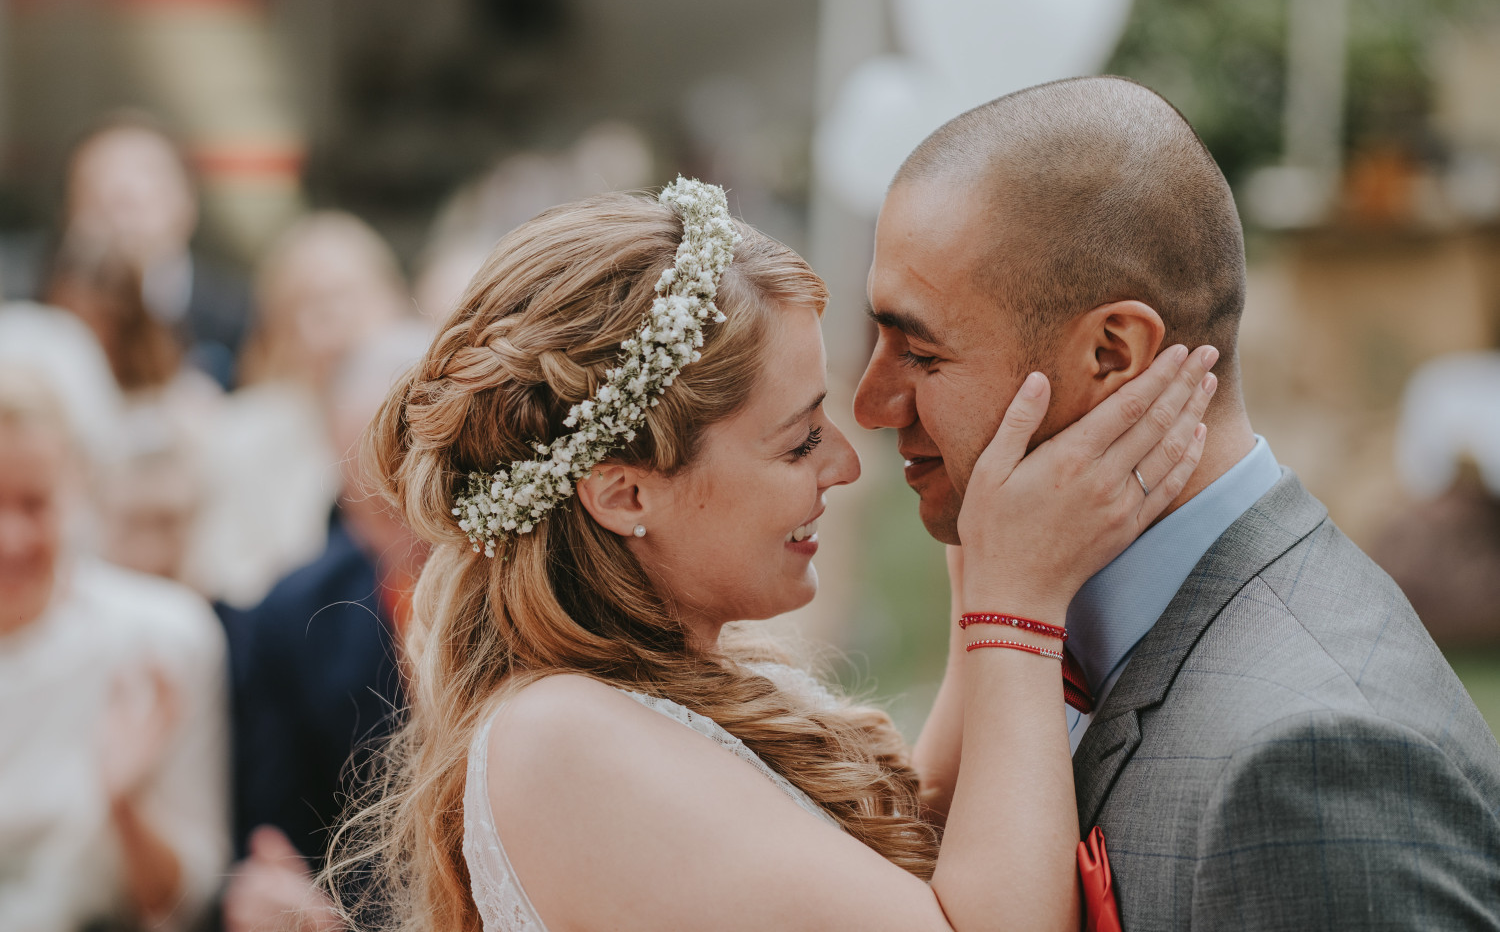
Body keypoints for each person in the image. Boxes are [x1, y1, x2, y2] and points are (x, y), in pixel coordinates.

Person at [325, 179, 1217, 931]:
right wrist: (1017, 609)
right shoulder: (561, 739)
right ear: (625, 493)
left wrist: (980, 566)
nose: (843, 465)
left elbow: (922, 855)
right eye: (798, 443)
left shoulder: (668, 687)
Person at [855, 76, 1500, 927]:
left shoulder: (1308, 759)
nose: (870, 403)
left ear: (1113, 356)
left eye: (921, 353)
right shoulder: (1042, 610)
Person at [0, 366, 229, 932]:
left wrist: (124, 806)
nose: (11, 539)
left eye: (34, 505)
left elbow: (190, 901)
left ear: (76, 490)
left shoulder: (165, 638)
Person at [222, 324, 432, 932]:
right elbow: (273, 839)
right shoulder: (290, 618)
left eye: (414, 485)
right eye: (371, 502)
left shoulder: (542, 592)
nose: (403, 526)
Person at [190, 211, 409, 609]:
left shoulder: (440, 420)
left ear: (392, 298)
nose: (331, 322)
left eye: (345, 296)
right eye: (304, 306)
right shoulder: (239, 435)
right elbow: (229, 577)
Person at [58, 112, 249, 389]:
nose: (119, 220)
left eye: (135, 198)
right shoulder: (41, 320)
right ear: (69, 216)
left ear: (187, 202)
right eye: (97, 198)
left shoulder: (243, 316)